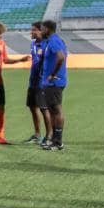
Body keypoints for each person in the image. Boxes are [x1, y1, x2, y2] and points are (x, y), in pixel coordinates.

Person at [38, 19, 68, 151]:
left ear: (48, 29)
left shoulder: (54, 40)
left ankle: (57, 142)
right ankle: (55, 141)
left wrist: (52, 74)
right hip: (51, 82)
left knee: (56, 110)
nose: (41, 31)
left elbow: (61, 57)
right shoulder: (52, 40)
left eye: (42, 28)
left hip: (54, 82)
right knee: (53, 110)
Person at [23, 22, 49, 144]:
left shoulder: (46, 44)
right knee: (33, 107)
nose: (31, 32)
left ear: (41, 31)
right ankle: (37, 134)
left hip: (42, 82)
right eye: (31, 30)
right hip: (32, 81)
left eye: (34, 30)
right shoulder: (33, 43)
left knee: (44, 109)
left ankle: (48, 136)